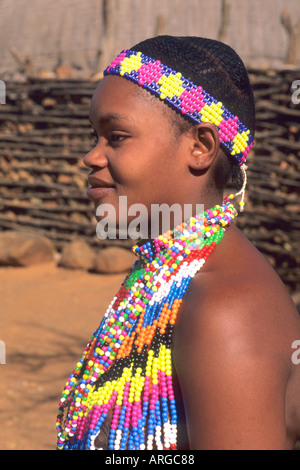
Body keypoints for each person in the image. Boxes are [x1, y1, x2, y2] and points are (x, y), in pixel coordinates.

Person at [56, 35, 300, 450]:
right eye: (94, 136)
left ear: (200, 147)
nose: (91, 157)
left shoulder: (226, 308)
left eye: (115, 136)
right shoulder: (164, 274)